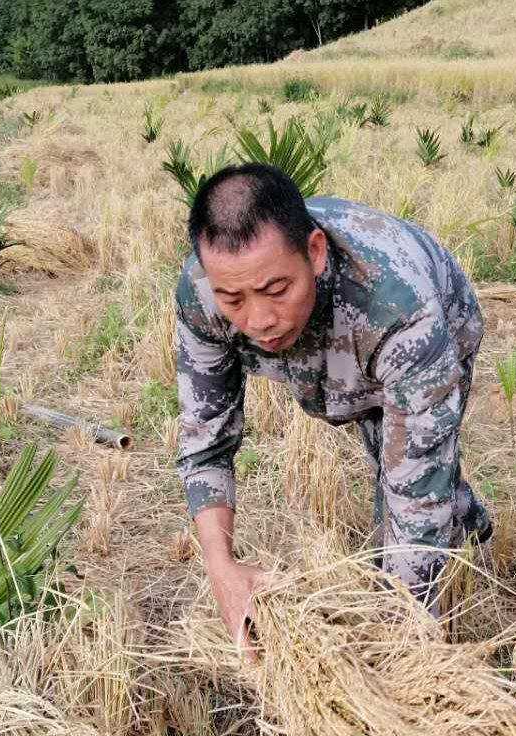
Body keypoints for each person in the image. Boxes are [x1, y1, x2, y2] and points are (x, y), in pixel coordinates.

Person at [174, 162, 491, 653]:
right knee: (388, 453)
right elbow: (204, 441)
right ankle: (470, 520)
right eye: (233, 298)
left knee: (407, 483)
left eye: (277, 290)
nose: (258, 319)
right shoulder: (204, 293)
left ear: (316, 253)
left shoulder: (403, 314)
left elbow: (417, 500)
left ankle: (462, 529)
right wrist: (222, 569)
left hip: (432, 322)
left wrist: (400, 645)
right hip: (344, 352)